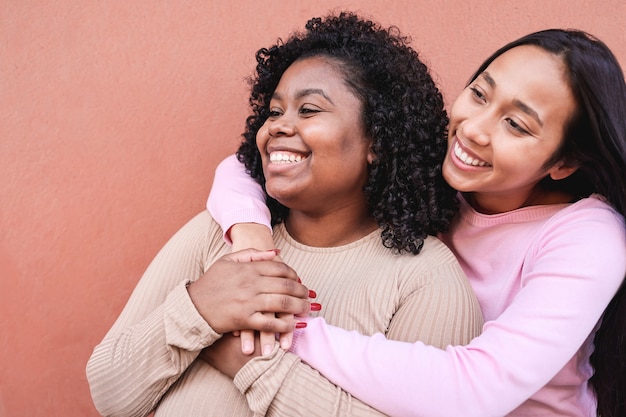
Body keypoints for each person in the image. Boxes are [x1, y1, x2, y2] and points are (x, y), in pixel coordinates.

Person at [205, 28, 626, 416]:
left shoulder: (588, 237)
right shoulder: (445, 175)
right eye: (480, 94)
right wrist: (251, 243)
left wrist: (281, 329)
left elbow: (476, 389)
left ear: (564, 161)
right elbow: (247, 165)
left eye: (515, 125)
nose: (475, 130)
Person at [86, 12, 483, 417]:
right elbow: (111, 395)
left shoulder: (426, 280)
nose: (278, 126)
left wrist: (236, 354)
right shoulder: (219, 233)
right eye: (274, 112)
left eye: (308, 110)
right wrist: (199, 308)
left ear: (377, 140)